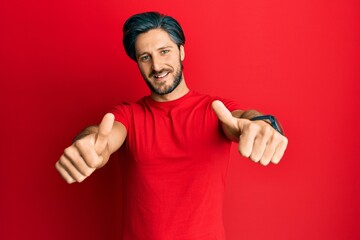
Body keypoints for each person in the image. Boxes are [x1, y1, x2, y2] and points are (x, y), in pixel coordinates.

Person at [55, 12, 288, 240]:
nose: (156, 66)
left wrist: (261, 124)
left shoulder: (216, 110)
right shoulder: (128, 115)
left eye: (164, 52)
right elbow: (103, 139)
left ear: (181, 51)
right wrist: (88, 144)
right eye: (145, 57)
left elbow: (242, 120)